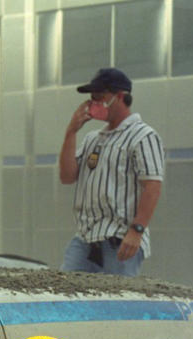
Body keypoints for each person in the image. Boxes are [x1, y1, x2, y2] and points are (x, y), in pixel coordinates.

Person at [58, 67, 164, 276]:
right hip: (86, 237)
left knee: (116, 298)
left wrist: (137, 230)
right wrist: (71, 132)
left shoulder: (142, 136)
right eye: (92, 97)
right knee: (64, 291)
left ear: (120, 96)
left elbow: (152, 185)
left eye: (101, 96)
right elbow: (67, 176)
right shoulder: (93, 139)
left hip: (120, 237)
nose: (95, 102)